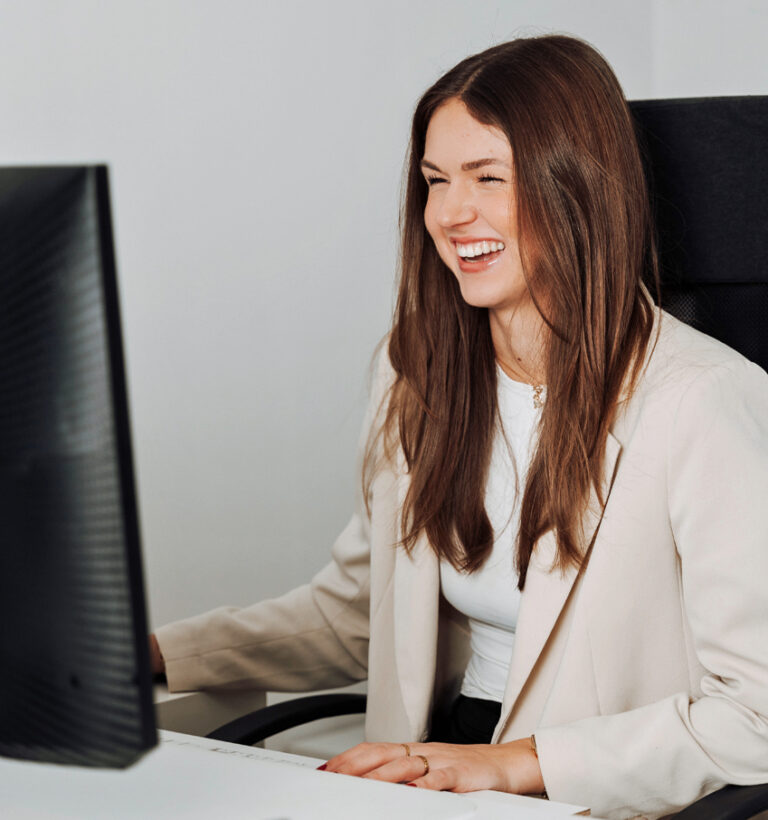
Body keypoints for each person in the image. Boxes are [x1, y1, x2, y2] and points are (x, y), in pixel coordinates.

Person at [151, 35, 768, 819]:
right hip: (436, 771)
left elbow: (759, 713)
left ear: (577, 187)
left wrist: (513, 767)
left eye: (487, 178)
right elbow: (359, 617)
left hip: (586, 787)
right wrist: (153, 655)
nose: (449, 213)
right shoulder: (415, 373)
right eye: (436, 181)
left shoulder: (703, 401)